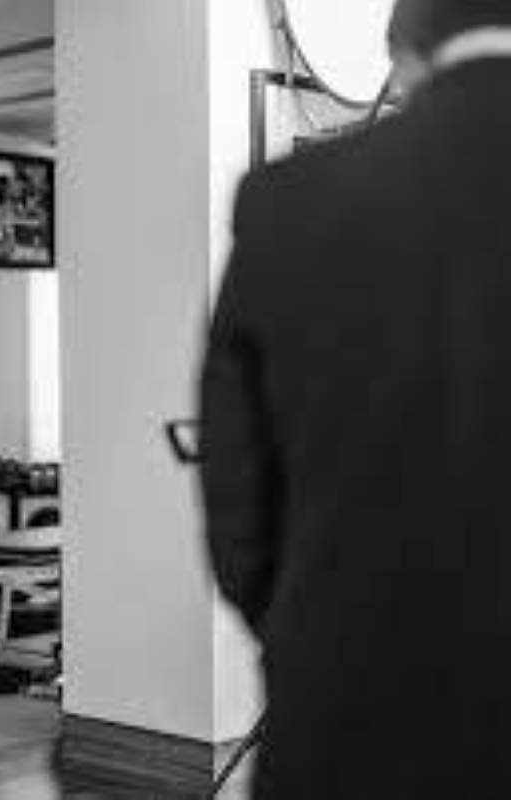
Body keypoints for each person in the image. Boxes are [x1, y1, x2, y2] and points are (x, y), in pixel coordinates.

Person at [199, 1, 511, 797]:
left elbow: (238, 493)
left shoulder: (287, 200)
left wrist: (308, 628)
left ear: (403, 57)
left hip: (349, 708)